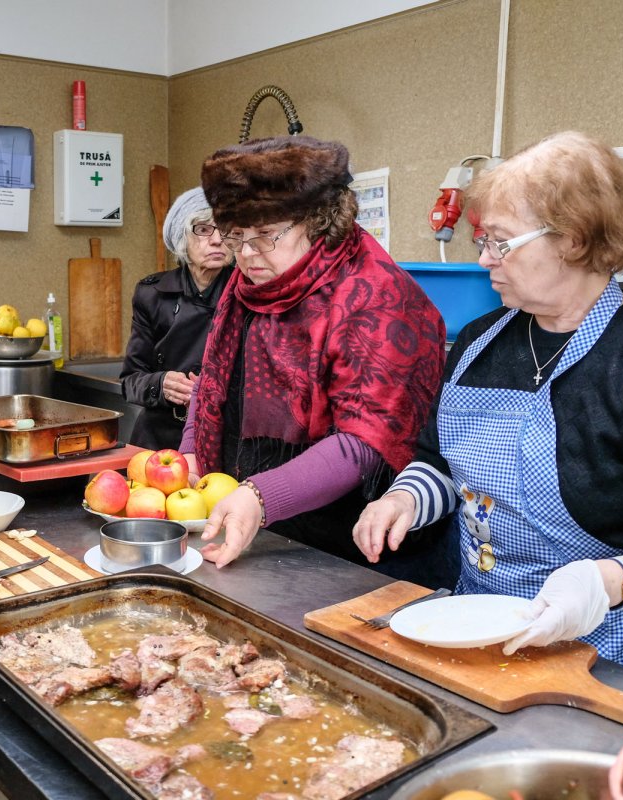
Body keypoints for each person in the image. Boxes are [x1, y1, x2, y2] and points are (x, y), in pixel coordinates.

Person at [352, 130, 623, 684]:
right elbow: (441, 464)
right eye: (482, 240)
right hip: (479, 623)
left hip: (611, 647)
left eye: (501, 241)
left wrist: (605, 583)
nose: (485, 258)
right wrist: (407, 499)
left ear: (574, 240)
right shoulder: (478, 343)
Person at [180, 135, 448, 573]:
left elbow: (367, 440)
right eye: (236, 237)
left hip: (354, 551)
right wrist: (192, 451)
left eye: (265, 235)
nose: (246, 255)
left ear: (319, 220)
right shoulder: (252, 281)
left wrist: (262, 496)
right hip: (264, 532)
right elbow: (215, 380)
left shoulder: (375, 296)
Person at [121, 187, 233, 449]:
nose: (217, 239)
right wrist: (161, 384)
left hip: (221, 439)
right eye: (203, 229)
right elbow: (130, 381)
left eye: (224, 228)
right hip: (157, 438)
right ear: (182, 237)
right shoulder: (152, 294)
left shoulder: (246, 293)